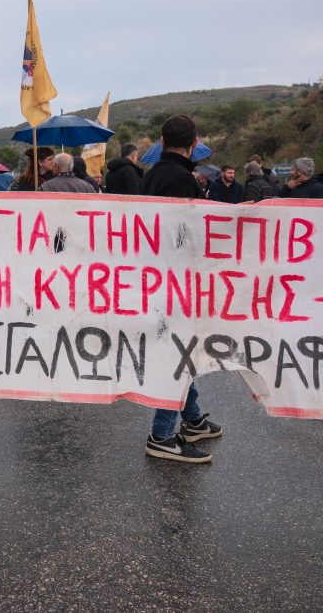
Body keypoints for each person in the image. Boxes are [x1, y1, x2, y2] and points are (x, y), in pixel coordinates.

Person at [140, 114, 222, 463]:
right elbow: (190, 237)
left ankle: (192, 419)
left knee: (180, 351)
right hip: (177, 284)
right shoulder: (183, 179)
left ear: (161, 142)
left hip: (156, 278)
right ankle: (161, 435)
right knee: (178, 355)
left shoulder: (151, 176)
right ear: (194, 144)